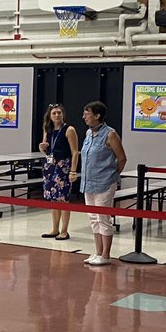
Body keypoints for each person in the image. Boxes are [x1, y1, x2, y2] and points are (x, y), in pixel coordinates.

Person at [78, 101, 127, 266]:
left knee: (103, 218)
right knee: (93, 218)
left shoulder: (110, 134)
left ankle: (106, 254)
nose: (84, 117)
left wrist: (111, 175)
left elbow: (121, 158)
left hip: (104, 183)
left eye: (87, 113)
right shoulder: (88, 133)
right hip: (88, 182)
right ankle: (98, 252)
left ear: (97, 116)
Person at [39, 103, 81, 240]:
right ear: (50, 116)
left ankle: (64, 230)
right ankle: (55, 228)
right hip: (50, 166)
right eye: (54, 113)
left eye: (59, 113)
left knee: (63, 199)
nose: (57, 115)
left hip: (63, 166)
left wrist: (73, 171)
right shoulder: (48, 129)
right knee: (53, 199)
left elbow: (75, 152)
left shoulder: (69, 130)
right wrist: (42, 147)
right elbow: (46, 150)